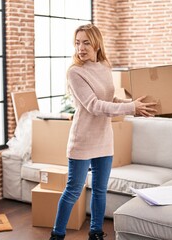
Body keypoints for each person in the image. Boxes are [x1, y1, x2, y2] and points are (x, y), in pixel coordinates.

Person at [49, 24, 157, 240]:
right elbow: (94, 105)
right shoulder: (75, 72)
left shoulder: (105, 66)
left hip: (104, 139)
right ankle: (56, 235)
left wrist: (134, 106)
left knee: (100, 190)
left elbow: (109, 100)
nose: (81, 48)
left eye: (86, 42)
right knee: (73, 190)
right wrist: (130, 107)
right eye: (77, 43)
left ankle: (96, 233)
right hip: (82, 139)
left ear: (97, 43)